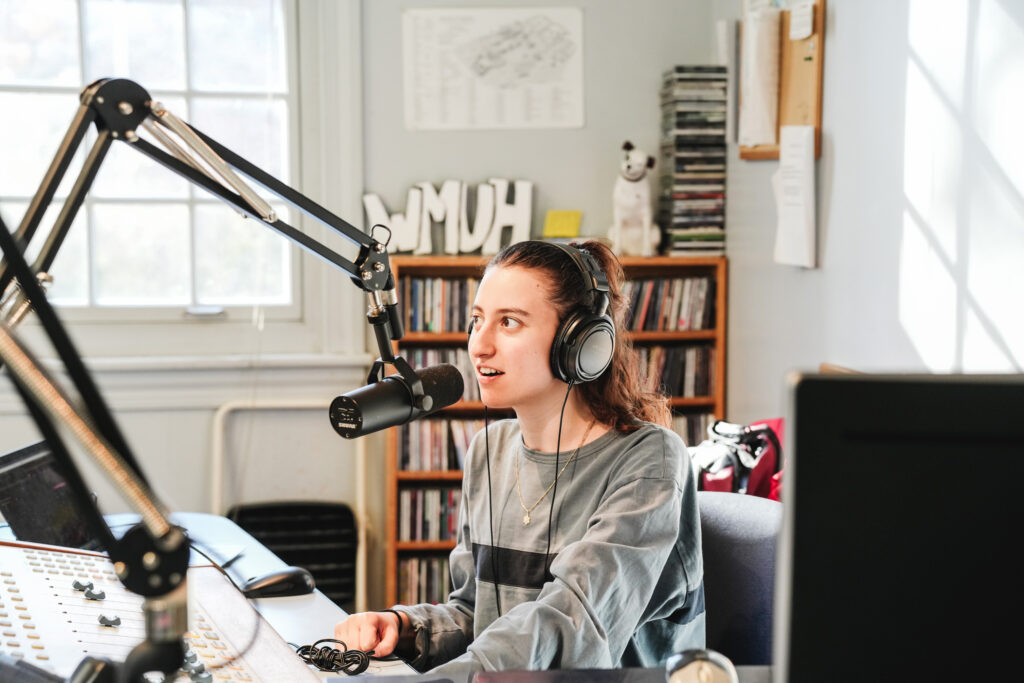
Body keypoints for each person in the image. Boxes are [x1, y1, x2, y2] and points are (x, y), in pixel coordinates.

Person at [334, 239, 704, 675]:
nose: (479, 345)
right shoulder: (489, 451)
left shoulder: (651, 459)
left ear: (581, 343)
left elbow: (573, 623)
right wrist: (406, 627)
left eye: (509, 322)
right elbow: (477, 614)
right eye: (477, 320)